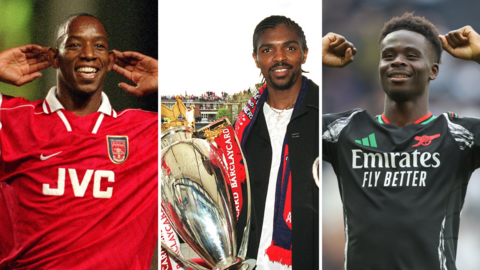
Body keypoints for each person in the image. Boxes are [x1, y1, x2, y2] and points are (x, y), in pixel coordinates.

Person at [323, 12, 480, 270]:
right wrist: (315, 58)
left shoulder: (458, 135)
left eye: (411, 55)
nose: (397, 61)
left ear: (434, 70)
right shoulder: (345, 129)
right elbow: (292, 127)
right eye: (388, 55)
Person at [0, 13, 158, 269]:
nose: (88, 54)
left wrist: (167, 77)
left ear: (110, 61)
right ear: (53, 57)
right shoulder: (12, 120)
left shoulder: (145, 131)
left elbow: (207, 129)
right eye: (74, 44)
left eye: (99, 46)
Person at [234, 15, 318, 270]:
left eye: (290, 48)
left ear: (304, 54)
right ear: (256, 58)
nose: (279, 58)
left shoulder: (325, 115)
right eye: (268, 50)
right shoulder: (244, 125)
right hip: (250, 260)